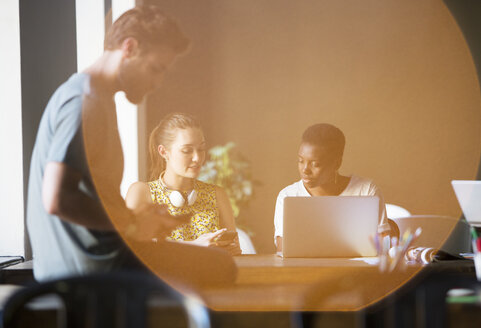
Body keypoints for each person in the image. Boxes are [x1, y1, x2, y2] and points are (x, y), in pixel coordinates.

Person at [26, 5, 236, 287]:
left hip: (95, 258)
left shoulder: (97, 99)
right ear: (129, 47)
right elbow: (56, 198)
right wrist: (131, 224)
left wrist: (138, 218)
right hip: (91, 266)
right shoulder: (83, 102)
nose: (157, 83)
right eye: (155, 69)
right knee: (221, 267)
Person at [125, 113, 242, 255]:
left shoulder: (217, 194)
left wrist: (230, 249)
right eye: (187, 151)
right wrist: (194, 246)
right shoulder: (141, 192)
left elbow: (235, 253)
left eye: (201, 149)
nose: (197, 158)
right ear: (164, 152)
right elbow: (128, 251)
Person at [273, 123, 393, 252]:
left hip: (357, 269)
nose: (305, 170)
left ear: (337, 163)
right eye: (300, 161)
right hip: (305, 270)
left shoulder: (366, 191)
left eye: (315, 164)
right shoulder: (288, 196)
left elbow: (383, 243)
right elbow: (283, 248)